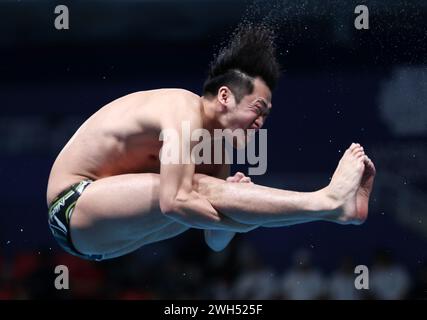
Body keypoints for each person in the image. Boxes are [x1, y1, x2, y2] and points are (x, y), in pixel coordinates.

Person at [46, 23, 376, 261]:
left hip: (106, 243)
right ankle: (327, 202)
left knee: (212, 194)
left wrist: (240, 207)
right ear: (225, 97)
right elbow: (174, 203)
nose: (260, 123)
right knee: (194, 191)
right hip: (73, 205)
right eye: (257, 109)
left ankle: (332, 209)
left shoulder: (217, 153)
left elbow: (215, 242)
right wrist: (241, 212)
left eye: (267, 116)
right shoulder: (181, 110)